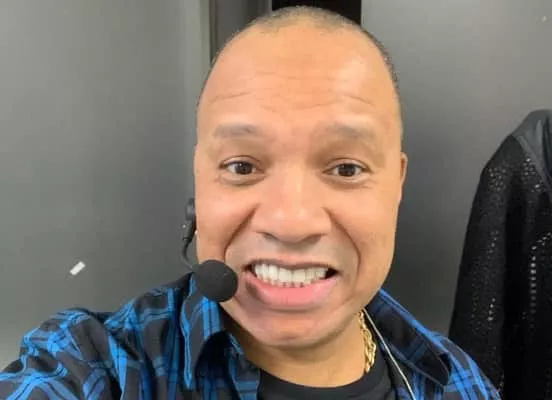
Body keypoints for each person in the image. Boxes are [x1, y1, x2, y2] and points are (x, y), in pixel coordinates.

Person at [0, 6, 499, 400]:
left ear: (398, 185)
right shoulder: (93, 365)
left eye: (346, 169)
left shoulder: (457, 381)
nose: (291, 221)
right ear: (200, 183)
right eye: (242, 166)